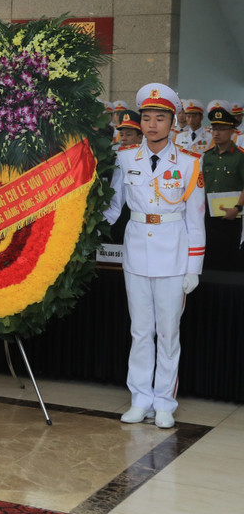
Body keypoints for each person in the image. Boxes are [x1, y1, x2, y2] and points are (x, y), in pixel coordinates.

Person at [104, 83, 205, 430]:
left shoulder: (190, 163)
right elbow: (112, 208)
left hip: (174, 255)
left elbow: (196, 221)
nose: (151, 125)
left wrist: (194, 267)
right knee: (140, 331)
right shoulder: (124, 158)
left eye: (159, 118)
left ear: (172, 122)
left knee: (168, 332)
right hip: (136, 253)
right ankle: (139, 398)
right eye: (146, 118)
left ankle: (164, 401)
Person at [200, 100, 244, 271]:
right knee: (207, 260)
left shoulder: (240, 157)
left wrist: (238, 208)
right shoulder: (206, 157)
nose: (216, 133)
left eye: (221, 129)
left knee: (227, 262)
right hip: (206, 217)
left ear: (232, 131)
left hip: (231, 216)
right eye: (214, 129)